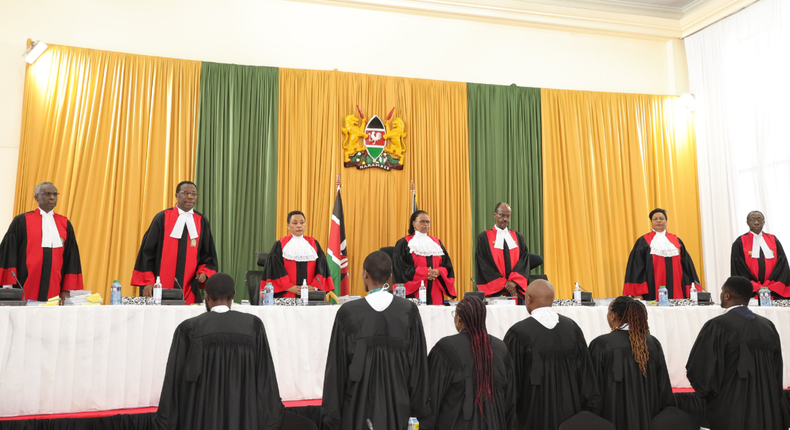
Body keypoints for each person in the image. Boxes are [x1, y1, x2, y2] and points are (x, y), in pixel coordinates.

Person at [153, 273, 283, 430]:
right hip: (243, 419)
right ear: (233, 295)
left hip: (202, 420)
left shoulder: (188, 329)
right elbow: (266, 379)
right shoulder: (253, 327)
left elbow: (173, 385)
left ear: (206, 296)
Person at [322, 251, 430, 430]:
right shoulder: (408, 311)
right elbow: (418, 369)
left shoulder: (348, 313)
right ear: (390, 276)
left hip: (358, 411)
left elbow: (336, 369)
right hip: (399, 410)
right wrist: (420, 413)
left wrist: (332, 417)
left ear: (365, 274)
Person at [686, 276, 785, 430]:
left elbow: (701, 371)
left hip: (732, 411)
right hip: (766, 410)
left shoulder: (718, 326)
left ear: (727, 295)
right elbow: (777, 371)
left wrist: (712, 398)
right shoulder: (768, 327)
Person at [503, 280, 600, 430]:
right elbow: (587, 382)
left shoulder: (518, 333)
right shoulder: (573, 329)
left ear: (528, 299)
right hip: (571, 418)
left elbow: (510, 387)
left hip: (532, 418)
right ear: (552, 300)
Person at [422, 296, 516, 430]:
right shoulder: (501, 349)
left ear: (459, 319)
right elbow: (509, 402)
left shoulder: (445, 348)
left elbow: (431, 398)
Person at [589, 296, 673, 430]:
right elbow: (663, 389)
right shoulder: (652, 343)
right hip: (648, 418)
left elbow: (592, 389)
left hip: (612, 420)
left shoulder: (601, 344)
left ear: (613, 316)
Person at [131, 181, 218, 304]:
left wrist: (204, 272)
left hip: (189, 288)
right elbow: (147, 253)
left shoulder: (201, 221)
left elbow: (208, 253)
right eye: (186, 193)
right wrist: (148, 282)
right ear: (177, 196)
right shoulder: (162, 218)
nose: (190, 197)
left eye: (194, 194)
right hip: (158, 288)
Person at [0, 182, 83, 302]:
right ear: (36, 197)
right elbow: (9, 253)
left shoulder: (65, 224)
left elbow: (72, 258)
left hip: (55, 288)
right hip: (25, 286)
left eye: (55, 194)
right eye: (47, 194)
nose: (52, 197)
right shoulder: (22, 221)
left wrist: (67, 289)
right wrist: (9, 284)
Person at [623, 208, 700, 301]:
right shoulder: (643, 241)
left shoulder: (676, 241)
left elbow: (687, 267)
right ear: (651, 222)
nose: (659, 221)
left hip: (677, 291)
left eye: (661, 218)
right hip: (651, 292)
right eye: (655, 219)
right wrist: (637, 294)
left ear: (666, 222)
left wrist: (692, 291)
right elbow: (637, 269)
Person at [262, 210, 334, 298]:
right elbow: (275, 270)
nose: (299, 225)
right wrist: (289, 287)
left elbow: (322, 267)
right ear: (288, 226)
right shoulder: (280, 244)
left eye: (302, 222)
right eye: (295, 223)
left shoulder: (314, 243)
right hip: (287, 294)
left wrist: (313, 286)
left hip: (310, 294)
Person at [393, 210, 456, 305]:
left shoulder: (436, 242)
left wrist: (437, 272)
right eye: (422, 221)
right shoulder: (404, 243)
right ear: (414, 223)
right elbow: (400, 268)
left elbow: (447, 265)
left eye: (428, 222)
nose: (426, 224)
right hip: (414, 292)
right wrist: (424, 273)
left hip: (435, 290)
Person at [475, 202, 530, 299]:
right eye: (502, 215)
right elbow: (483, 265)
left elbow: (524, 261)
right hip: (494, 292)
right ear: (495, 214)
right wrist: (504, 284)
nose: (505, 219)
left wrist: (514, 282)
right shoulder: (484, 237)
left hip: (515, 290)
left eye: (508, 216)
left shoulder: (518, 237)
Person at [730, 211, 790, 298]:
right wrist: (755, 287)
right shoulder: (739, 242)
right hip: (750, 292)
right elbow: (738, 268)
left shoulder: (773, 240)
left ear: (764, 222)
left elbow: (782, 265)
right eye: (753, 220)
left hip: (773, 290)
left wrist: (771, 286)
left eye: (759, 219)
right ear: (747, 223)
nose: (756, 222)